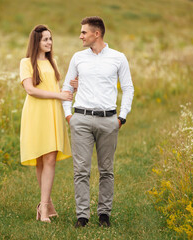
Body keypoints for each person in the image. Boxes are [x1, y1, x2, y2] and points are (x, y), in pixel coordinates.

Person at [62, 16, 134, 228]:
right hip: (81, 119)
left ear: (97, 34)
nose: (80, 36)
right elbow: (67, 87)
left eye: (84, 32)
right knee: (80, 170)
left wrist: (122, 117)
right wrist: (69, 116)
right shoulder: (77, 58)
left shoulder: (118, 58)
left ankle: (104, 215)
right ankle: (82, 216)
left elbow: (128, 88)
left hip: (108, 120)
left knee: (106, 170)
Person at [19, 24, 72, 223]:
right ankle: (46, 204)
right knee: (41, 159)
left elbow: (56, 85)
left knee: (50, 157)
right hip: (35, 113)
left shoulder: (53, 62)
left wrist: (69, 87)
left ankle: (43, 208)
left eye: (50, 39)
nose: (49, 42)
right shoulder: (26, 62)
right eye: (45, 39)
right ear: (36, 42)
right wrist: (58, 95)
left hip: (53, 113)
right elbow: (30, 90)